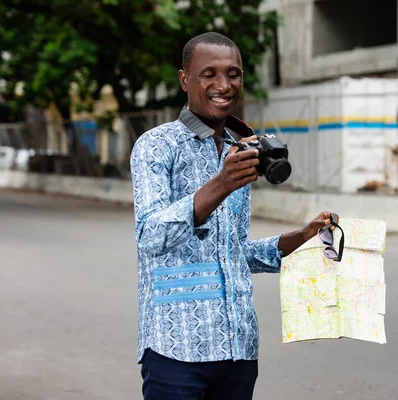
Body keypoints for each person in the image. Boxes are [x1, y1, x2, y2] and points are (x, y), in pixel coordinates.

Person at [130, 31, 339, 400]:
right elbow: (150, 237)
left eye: (234, 73)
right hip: (176, 348)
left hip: (238, 349)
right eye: (208, 74)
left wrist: (297, 239)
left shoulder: (240, 149)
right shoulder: (155, 146)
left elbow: (230, 252)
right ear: (185, 79)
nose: (223, 85)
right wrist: (221, 184)